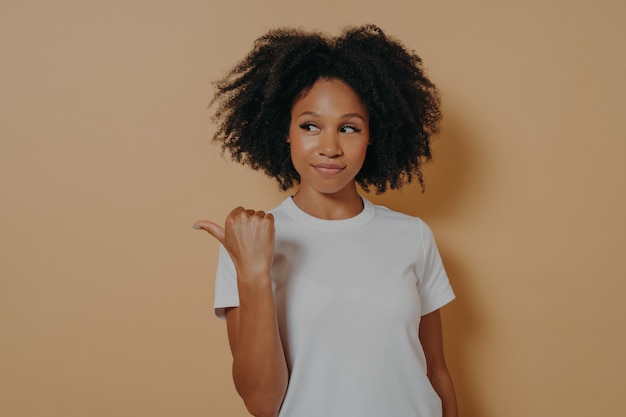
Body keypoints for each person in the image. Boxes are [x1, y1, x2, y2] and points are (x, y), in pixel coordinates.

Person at [194, 24, 458, 417]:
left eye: (349, 128)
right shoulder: (250, 241)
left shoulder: (413, 236)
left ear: (373, 136)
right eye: (310, 126)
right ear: (285, 132)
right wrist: (252, 271)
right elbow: (262, 403)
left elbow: (435, 372)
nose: (330, 147)